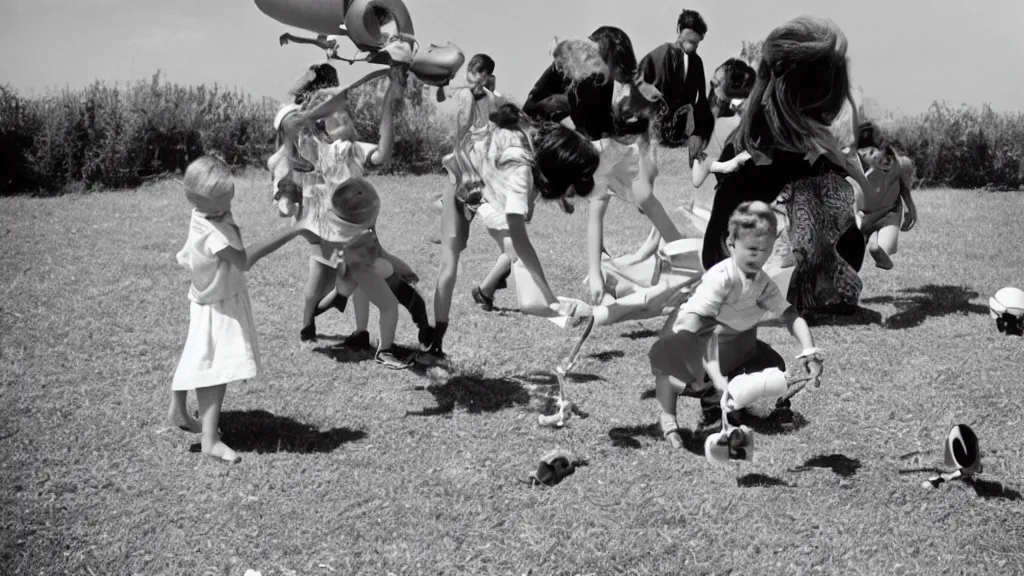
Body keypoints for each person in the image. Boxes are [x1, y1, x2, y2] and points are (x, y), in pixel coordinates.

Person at [701, 16, 874, 313]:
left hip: (737, 249)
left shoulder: (781, 135)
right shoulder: (764, 140)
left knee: (841, 224)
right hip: (730, 256)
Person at [419, 100, 601, 364]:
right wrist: (550, 299)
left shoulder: (535, 145)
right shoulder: (520, 175)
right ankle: (432, 346)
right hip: (467, 186)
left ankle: (487, 288)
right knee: (451, 265)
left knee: (514, 256)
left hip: (486, 188)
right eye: (568, 186)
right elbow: (520, 243)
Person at [275, 65, 431, 353]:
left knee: (350, 279)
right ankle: (311, 322)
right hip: (327, 231)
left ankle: (358, 329)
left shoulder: (351, 149)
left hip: (358, 235)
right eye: (334, 114)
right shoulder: (317, 147)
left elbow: (382, 154)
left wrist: (388, 104)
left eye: (344, 111)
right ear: (321, 123)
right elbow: (288, 125)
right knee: (324, 280)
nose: (343, 115)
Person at [170, 156, 315, 463]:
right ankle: (209, 440)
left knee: (200, 353)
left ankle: (179, 407)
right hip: (218, 303)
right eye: (223, 201)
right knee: (215, 367)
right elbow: (244, 260)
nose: (229, 204)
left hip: (205, 296)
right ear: (201, 200)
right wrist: (295, 231)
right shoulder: (213, 232)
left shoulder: (204, 212)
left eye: (230, 195)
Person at [648, 202, 822, 446]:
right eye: (751, 249)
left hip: (737, 345)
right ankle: (671, 417)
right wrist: (712, 376)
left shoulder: (764, 285)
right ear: (731, 245)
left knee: (773, 366)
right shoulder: (720, 279)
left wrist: (809, 352)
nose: (758, 257)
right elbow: (694, 328)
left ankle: (730, 404)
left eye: (765, 250)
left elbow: (791, 316)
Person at [524, 26, 670, 306]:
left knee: (641, 201)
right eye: (615, 68)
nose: (615, 75)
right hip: (595, 149)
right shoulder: (579, 73)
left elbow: (608, 118)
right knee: (606, 206)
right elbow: (536, 106)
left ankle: (661, 253)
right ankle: (599, 276)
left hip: (606, 147)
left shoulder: (600, 77)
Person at [432, 53, 513, 311]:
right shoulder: (486, 95)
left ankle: (487, 289)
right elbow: (474, 118)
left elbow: (468, 117)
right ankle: (487, 288)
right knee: (514, 249)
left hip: (479, 157)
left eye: (476, 72)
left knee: (511, 250)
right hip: (482, 160)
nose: (474, 76)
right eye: (474, 72)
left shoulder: (481, 94)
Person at [855, 137, 918, 269]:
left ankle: (875, 243)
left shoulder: (901, 165)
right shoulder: (863, 173)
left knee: (881, 249)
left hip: (890, 213)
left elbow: (904, 188)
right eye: (866, 155)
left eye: (873, 152)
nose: (874, 157)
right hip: (867, 216)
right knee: (852, 256)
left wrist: (911, 209)